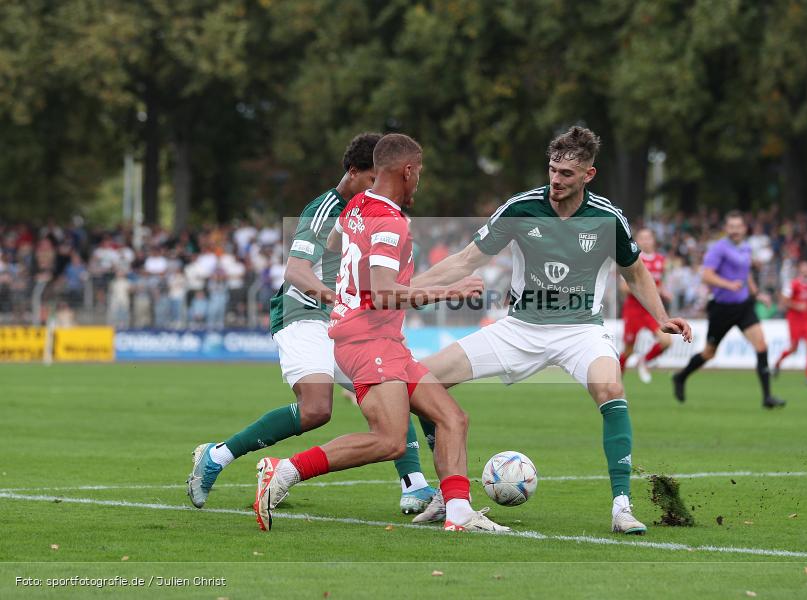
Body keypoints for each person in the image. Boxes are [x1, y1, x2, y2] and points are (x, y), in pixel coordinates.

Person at [408, 126, 692, 534]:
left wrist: (660, 315)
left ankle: (621, 507)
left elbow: (635, 272)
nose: (556, 180)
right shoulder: (522, 208)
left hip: (581, 331)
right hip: (521, 327)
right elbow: (465, 260)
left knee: (611, 389)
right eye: (553, 170)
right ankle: (447, 494)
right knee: (421, 381)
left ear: (588, 175)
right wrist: (406, 289)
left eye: (567, 174)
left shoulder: (608, 217)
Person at [253, 134, 507, 533]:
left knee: (453, 418)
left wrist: (349, 291)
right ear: (407, 171)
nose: (418, 182)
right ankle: (283, 471)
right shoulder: (389, 222)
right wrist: (449, 291)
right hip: (368, 341)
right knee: (389, 440)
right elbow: (386, 293)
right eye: (419, 173)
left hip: (380, 339)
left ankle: (458, 514)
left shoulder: (357, 206)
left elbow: (338, 245)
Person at [187, 133, 437, 515]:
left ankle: (414, 486)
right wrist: (336, 297)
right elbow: (296, 270)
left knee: (390, 383)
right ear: (353, 173)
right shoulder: (325, 209)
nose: (378, 188)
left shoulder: (373, 211)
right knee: (317, 409)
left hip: (345, 323)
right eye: (371, 179)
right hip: (302, 313)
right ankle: (217, 455)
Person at [672, 211, 785, 409]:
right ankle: (680, 377)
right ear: (726, 229)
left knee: (761, 345)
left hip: (743, 307)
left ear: (744, 228)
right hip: (722, 309)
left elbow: (745, 273)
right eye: (731, 227)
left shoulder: (747, 247)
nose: (734, 230)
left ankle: (767, 397)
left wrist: (757, 294)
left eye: (738, 226)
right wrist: (728, 284)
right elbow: (706, 275)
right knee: (709, 353)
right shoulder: (718, 249)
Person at [618, 228, 673, 383]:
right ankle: (616, 379)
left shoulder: (661, 260)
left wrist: (663, 291)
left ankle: (644, 361)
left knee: (666, 341)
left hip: (651, 309)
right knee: (628, 350)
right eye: (642, 238)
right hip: (633, 309)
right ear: (637, 241)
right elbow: (623, 287)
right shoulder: (632, 258)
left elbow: (659, 284)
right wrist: (646, 288)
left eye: (648, 238)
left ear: (653, 240)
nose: (645, 241)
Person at [773, 260, 807, 384]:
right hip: (794, 319)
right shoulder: (792, 284)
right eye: (804, 267)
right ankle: (777, 363)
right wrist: (797, 306)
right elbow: (784, 301)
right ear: (800, 269)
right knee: (794, 348)